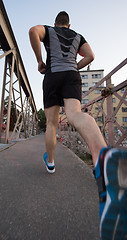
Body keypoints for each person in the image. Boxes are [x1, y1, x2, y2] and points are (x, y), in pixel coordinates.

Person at [29, 11, 127, 240]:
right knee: (74, 114)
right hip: (72, 75)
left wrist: (39, 61)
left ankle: (50, 163)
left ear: (56, 23)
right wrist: (76, 65)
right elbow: (91, 56)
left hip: (52, 75)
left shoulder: (50, 30)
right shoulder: (77, 35)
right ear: (69, 24)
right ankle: (104, 159)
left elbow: (33, 31)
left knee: (52, 123)